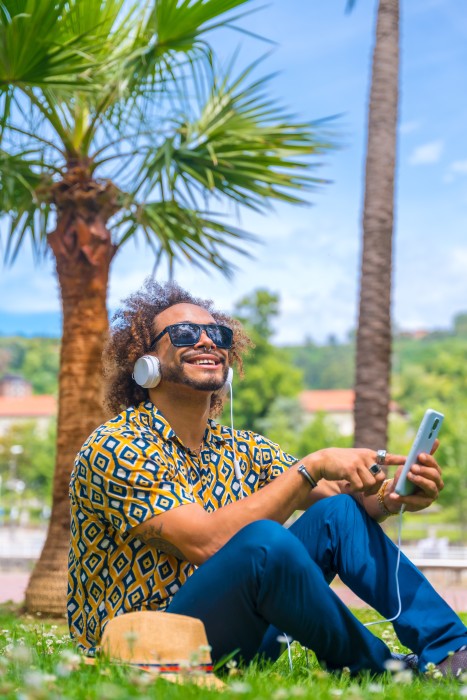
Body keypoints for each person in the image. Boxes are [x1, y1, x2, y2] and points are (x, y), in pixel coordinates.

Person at [68, 280, 467, 676]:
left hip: (238, 636)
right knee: (264, 541)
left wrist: (392, 496)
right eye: (185, 333)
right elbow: (207, 543)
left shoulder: (242, 448)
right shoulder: (117, 445)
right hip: (146, 646)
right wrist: (312, 464)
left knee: (339, 513)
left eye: (218, 335)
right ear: (146, 361)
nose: (207, 341)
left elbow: (340, 495)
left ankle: (453, 653)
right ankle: (383, 671)